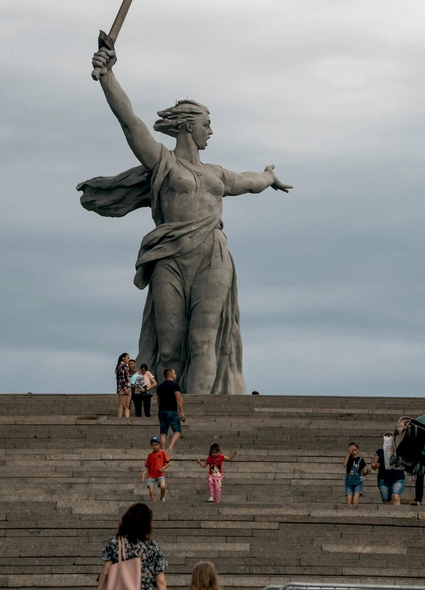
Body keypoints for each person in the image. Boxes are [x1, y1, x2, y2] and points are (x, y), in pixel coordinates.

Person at [80, 45, 292, 395]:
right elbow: (130, 122)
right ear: (190, 126)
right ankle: (170, 409)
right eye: (207, 124)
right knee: (170, 346)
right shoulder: (163, 163)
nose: (211, 131)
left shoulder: (217, 174)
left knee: (204, 341)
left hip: (211, 255)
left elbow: (251, 182)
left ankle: (201, 415)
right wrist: (108, 76)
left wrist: (270, 176)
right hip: (170, 259)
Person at [157, 368, 185, 451]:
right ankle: (170, 447)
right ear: (171, 375)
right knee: (177, 430)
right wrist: (182, 412)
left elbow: (158, 401)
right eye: (174, 373)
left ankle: (162, 449)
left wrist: (161, 409)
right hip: (172, 411)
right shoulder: (175, 385)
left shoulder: (160, 387)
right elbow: (178, 398)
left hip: (162, 411)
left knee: (163, 432)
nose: (175, 375)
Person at [371, 439, 406, 505]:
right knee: (387, 502)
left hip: (398, 478)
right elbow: (373, 465)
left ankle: (397, 514)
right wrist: (375, 465)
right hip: (383, 479)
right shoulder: (380, 451)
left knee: (395, 497)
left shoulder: (399, 450)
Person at [141, 436, 171, 502]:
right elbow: (148, 467)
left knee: (163, 486)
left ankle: (162, 497)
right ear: (151, 446)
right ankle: (154, 503)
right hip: (151, 475)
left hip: (160, 474)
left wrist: (163, 468)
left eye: (156, 445)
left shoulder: (163, 453)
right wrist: (143, 474)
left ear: (159, 444)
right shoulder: (150, 455)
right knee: (151, 491)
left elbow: (169, 463)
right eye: (153, 445)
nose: (155, 447)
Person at [343, 442, 366, 506]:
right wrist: (348, 453)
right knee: (349, 502)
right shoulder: (348, 458)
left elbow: (363, 472)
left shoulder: (360, 459)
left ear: (358, 450)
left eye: (355, 450)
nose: (353, 452)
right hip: (349, 482)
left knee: (355, 500)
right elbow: (344, 464)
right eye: (352, 450)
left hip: (357, 482)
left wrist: (367, 472)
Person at [115, 352, 132, 418]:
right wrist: (125, 387)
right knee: (122, 405)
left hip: (127, 387)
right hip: (124, 388)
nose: (128, 360)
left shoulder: (124, 366)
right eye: (128, 358)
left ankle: (127, 418)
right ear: (123, 358)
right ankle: (120, 418)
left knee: (127, 405)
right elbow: (122, 378)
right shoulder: (122, 366)